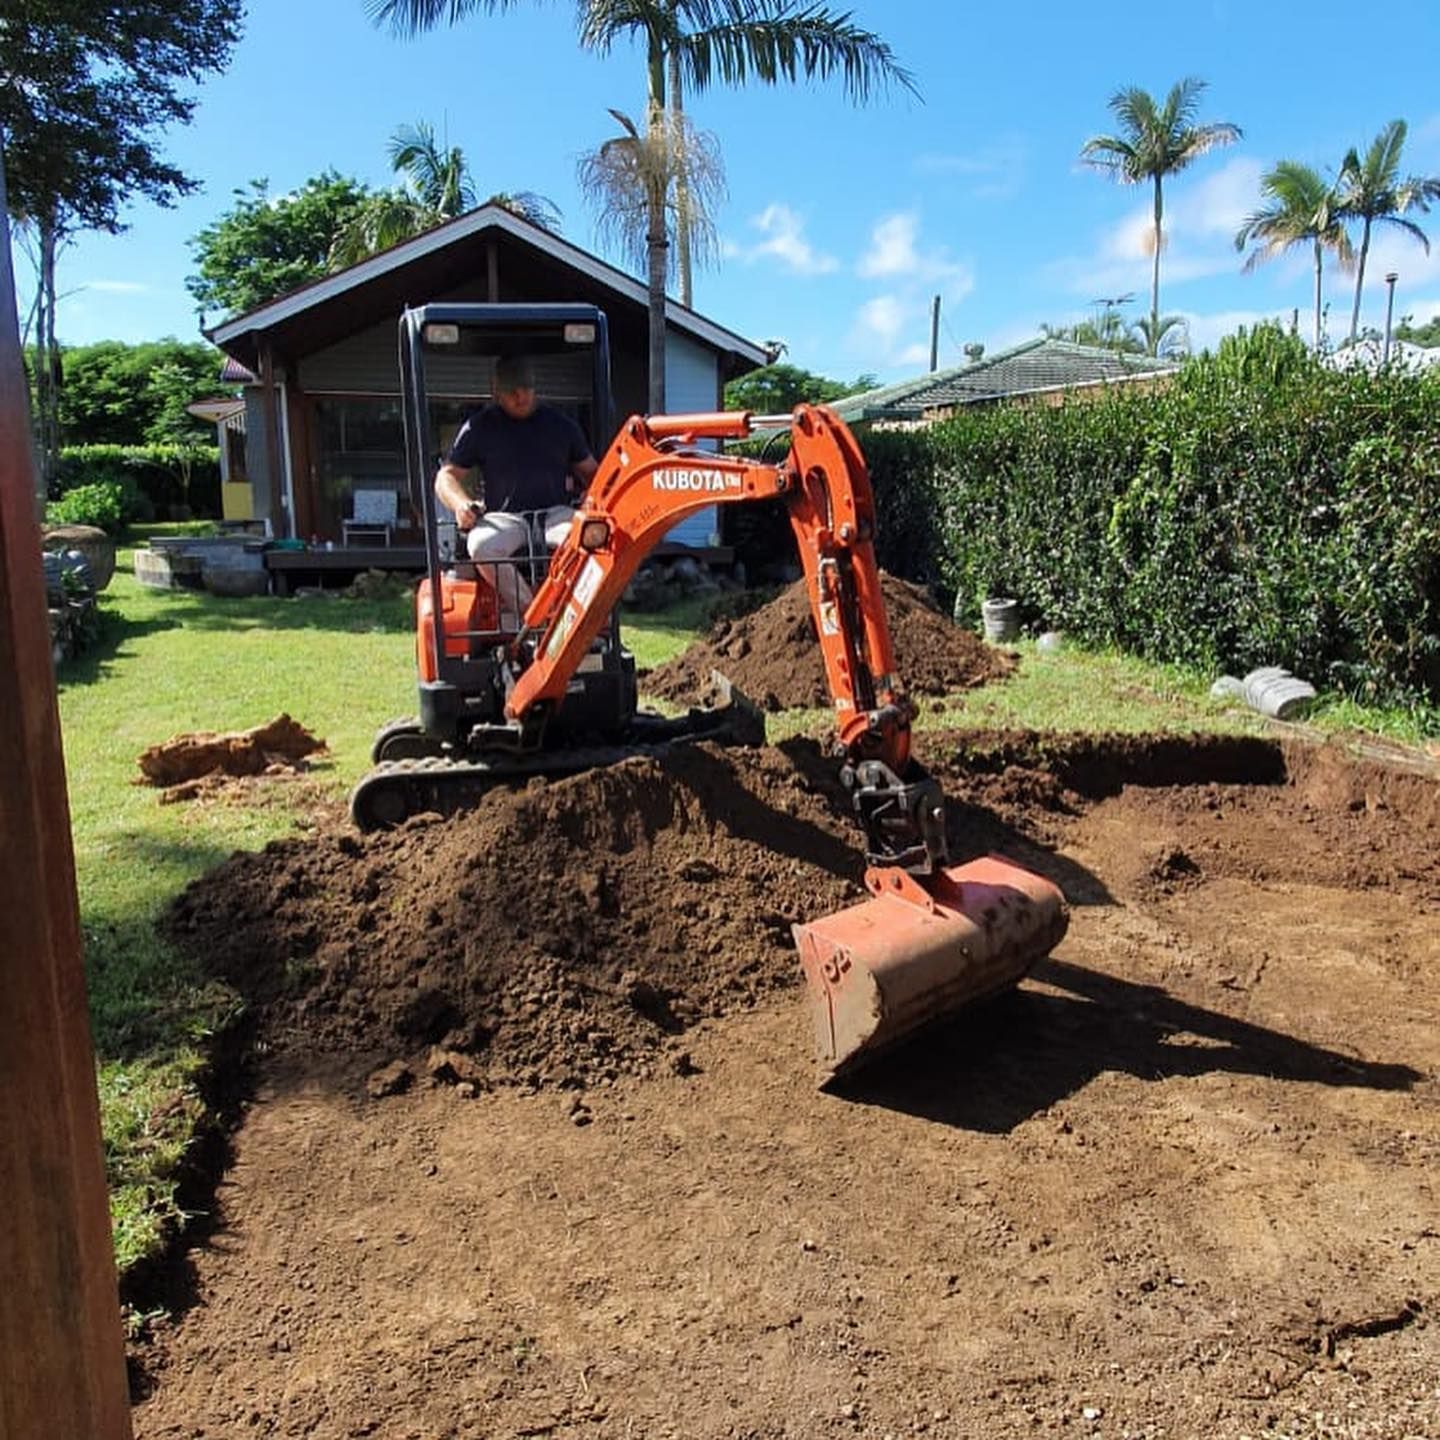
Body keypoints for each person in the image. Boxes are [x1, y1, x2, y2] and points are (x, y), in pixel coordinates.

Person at [433, 354, 599, 617]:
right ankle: (535, 616)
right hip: (504, 518)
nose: (521, 397)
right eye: (512, 392)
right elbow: (446, 477)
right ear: (497, 393)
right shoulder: (480, 427)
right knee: (480, 546)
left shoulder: (562, 426)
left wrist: (593, 498)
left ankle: (572, 616)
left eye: (526, 390)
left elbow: (593, 473)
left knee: (593, 539)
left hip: (555, 514)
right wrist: (460, 504)